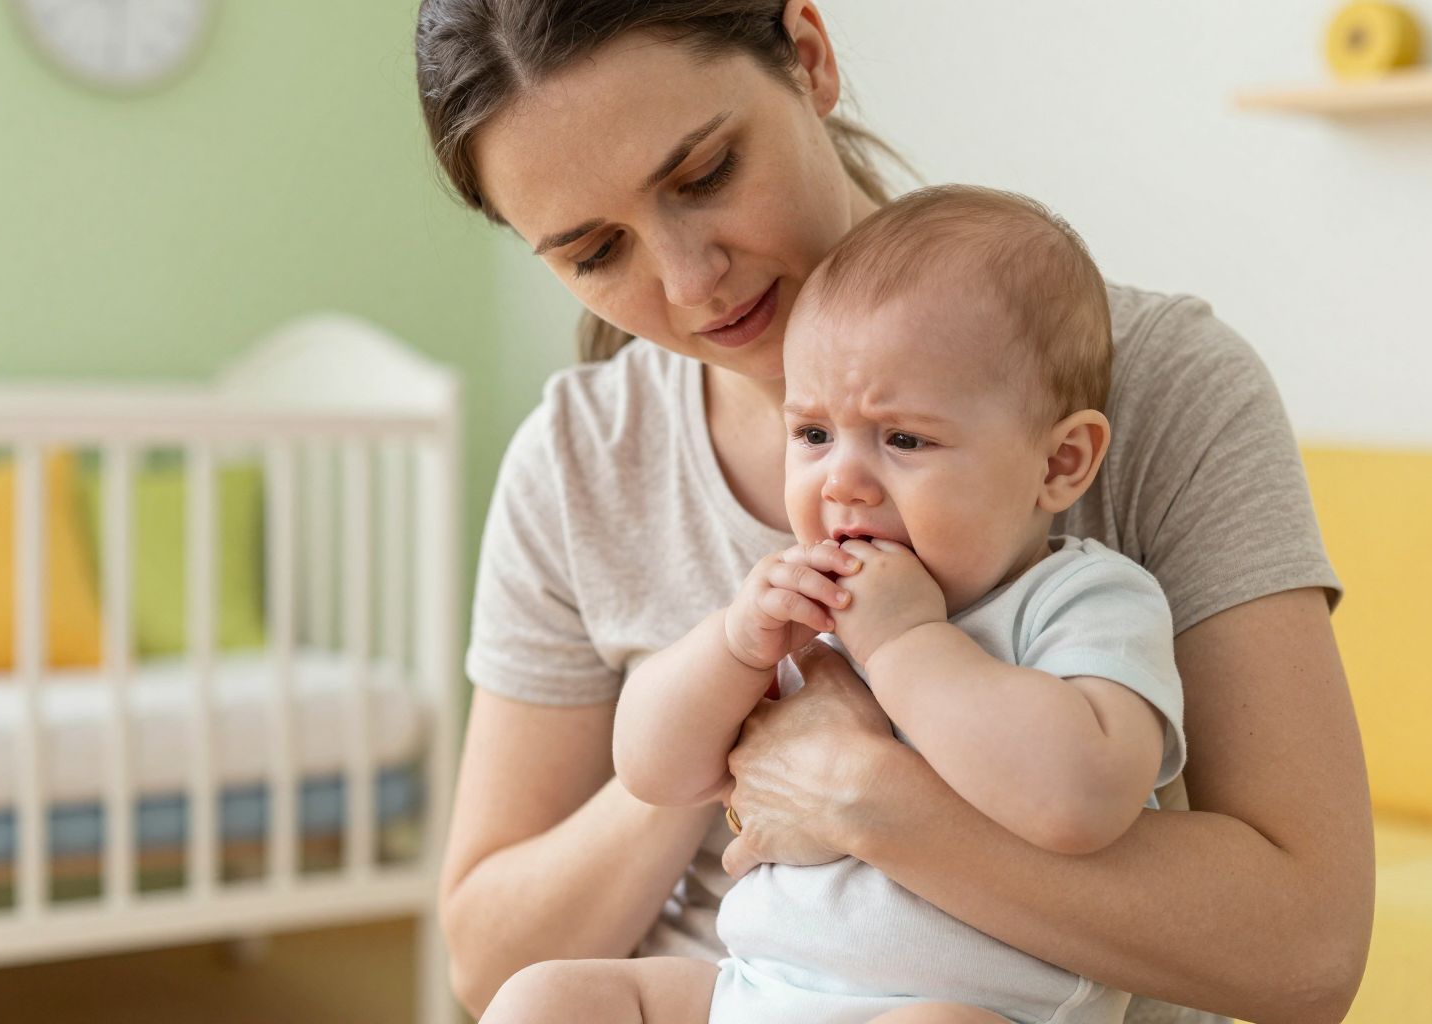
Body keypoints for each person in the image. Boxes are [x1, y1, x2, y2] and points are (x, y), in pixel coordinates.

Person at [416, 3, 1375, 1023]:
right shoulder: (579, 461)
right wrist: (738, 727)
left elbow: (1309, 952)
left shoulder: (1160, 386)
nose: (692, 282)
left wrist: (863, 795)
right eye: (595, 252)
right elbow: (487, 961)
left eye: (705, 175)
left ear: (811, 57)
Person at [482, 185, 1189, 1024]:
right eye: (813, 434)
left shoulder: (1080, 601)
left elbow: (1078, 800)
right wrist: (732, 647)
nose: (841, 480)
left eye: (904, 439)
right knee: (549, 999)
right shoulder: (800, 605)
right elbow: (654, 770)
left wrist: (905, 643)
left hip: (963, 1008)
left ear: (1060, 462)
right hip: (758, 993)